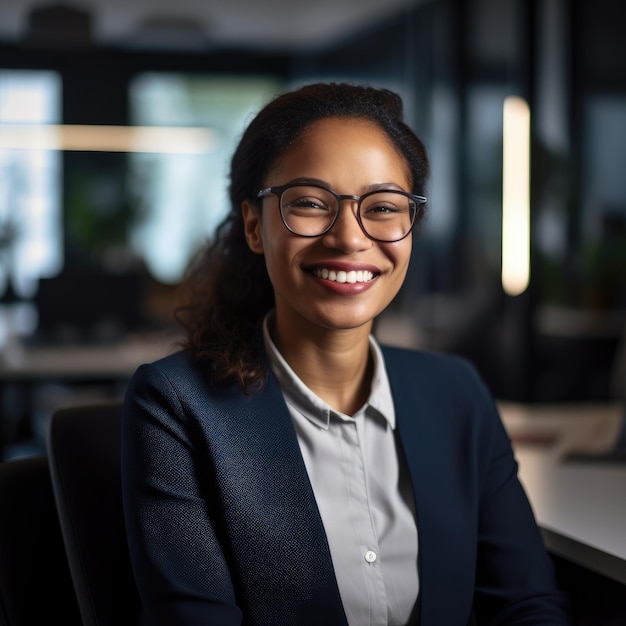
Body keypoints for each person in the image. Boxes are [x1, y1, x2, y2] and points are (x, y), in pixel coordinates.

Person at [121, 82, 571, 625]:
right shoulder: (176, 407)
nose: (350, 238)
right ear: (253, 227)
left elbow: (527, 605)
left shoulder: (457, 393)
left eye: (382, 207)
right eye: (311, 203)